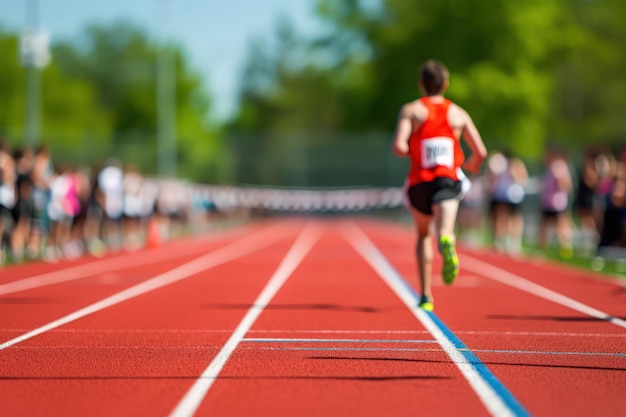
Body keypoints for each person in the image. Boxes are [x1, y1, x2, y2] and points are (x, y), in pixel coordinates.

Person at [393, 59, 487, 311]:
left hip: (419, 182)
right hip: (447, 180)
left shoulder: (411, 110)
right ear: (445, 84)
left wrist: (413, 150)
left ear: (421, 84)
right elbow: (481, 151)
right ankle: (447, 239)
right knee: (445, 230)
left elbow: (399, 146)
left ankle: (425, 296)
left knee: (424, 235)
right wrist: (473, 164)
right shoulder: (458, 113)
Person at [486, 150, 528, 255]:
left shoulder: (517, 164)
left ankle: (514, 242)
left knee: (514, 218)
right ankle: (500, 241)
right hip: (502, 195)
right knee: (500, 217)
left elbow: (522, 178)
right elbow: (492, 175)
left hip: (514, 196)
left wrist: (513, 172)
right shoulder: (500, 164)